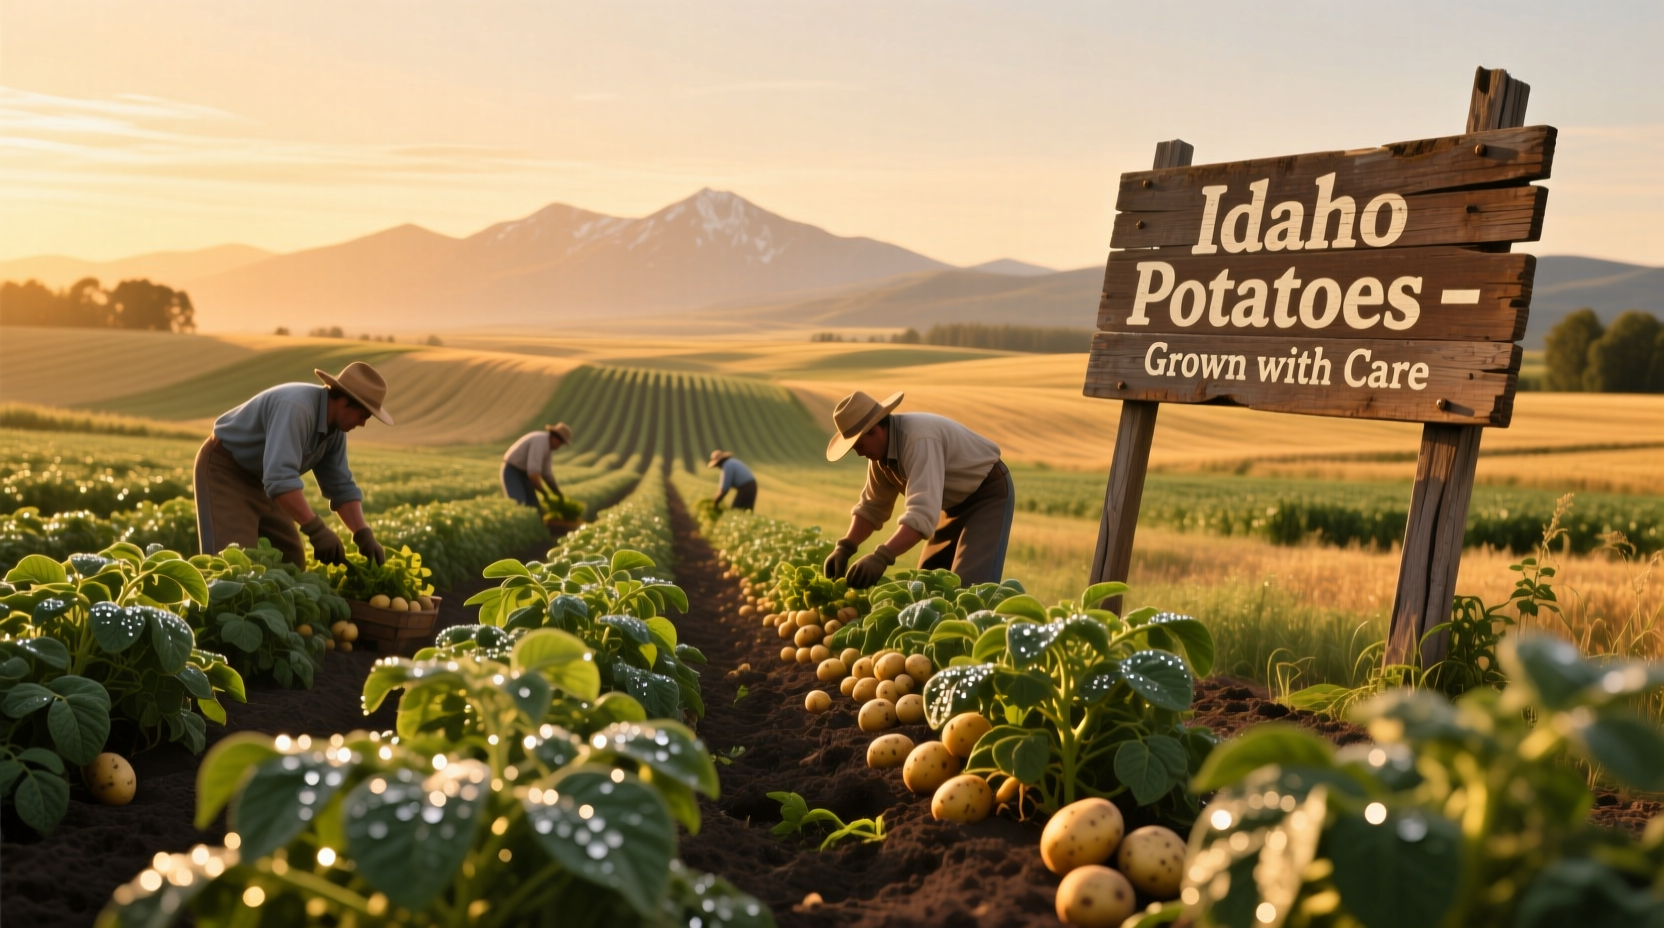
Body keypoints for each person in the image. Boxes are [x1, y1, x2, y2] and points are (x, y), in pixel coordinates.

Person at [194, 362, 392, 568]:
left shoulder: (335, 432)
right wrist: (316, 530)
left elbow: (340, 486)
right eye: (363, 415)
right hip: (227, 471)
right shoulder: (297, 408)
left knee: (291, 560)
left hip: (265, 481)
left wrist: (362, 534)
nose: (362, 423)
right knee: (233, 563)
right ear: (344, 402)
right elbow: (280, 478)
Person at [822, 390, 1014, 589]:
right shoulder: (879, 457)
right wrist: (845, 546)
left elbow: (921, 514)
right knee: (927, 585)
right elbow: (872, 507)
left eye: (859, 445)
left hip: (986, 496)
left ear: (875, 431)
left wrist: (882, 557)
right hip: (950, 506)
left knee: (970, 588)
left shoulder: (918, 440)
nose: (859, 453)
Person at [501, 423, 573, 507]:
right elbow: (533, 474)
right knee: (519, 504)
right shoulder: (540, 442)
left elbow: (547, 474)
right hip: (513, 471)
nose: (559, 446)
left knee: (534, 506)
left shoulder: (547, 448)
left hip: (525, 474)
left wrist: (557, 493)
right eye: (561, 443)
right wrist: (544, 493)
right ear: (555, 437)